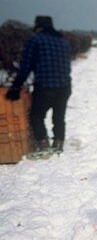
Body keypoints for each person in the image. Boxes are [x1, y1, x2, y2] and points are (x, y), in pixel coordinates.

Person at [5, 16, 72, 159]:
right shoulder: (63, 42)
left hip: (45, 86)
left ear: (38, 26)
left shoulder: (35, 40)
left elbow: (26, 66)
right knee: (59, 117)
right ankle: (58, 145)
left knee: (37, 116)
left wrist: (16, 86)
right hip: (65, 86)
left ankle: (43, 145)